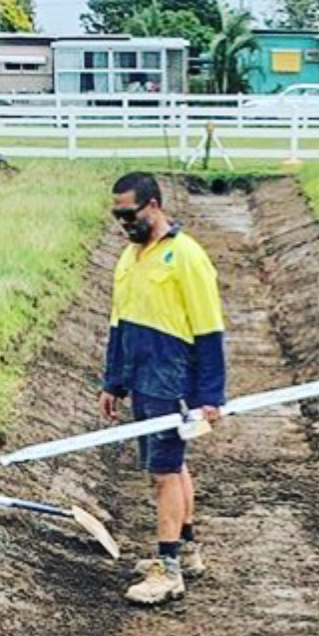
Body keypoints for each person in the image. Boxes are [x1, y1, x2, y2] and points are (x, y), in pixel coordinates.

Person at [100, 171, 226, 606]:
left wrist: (211, 395)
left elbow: (210, 330)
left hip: (174, 381)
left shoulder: (186, 257)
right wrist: (113, 381)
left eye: (128, 214)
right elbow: (119, 324)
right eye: (116, 216)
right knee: (171, 466)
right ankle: (187, 550)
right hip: (142, 380)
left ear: (152, 205)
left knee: (164, 473)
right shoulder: (129, 257)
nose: (122, 223)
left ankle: (168, 570)